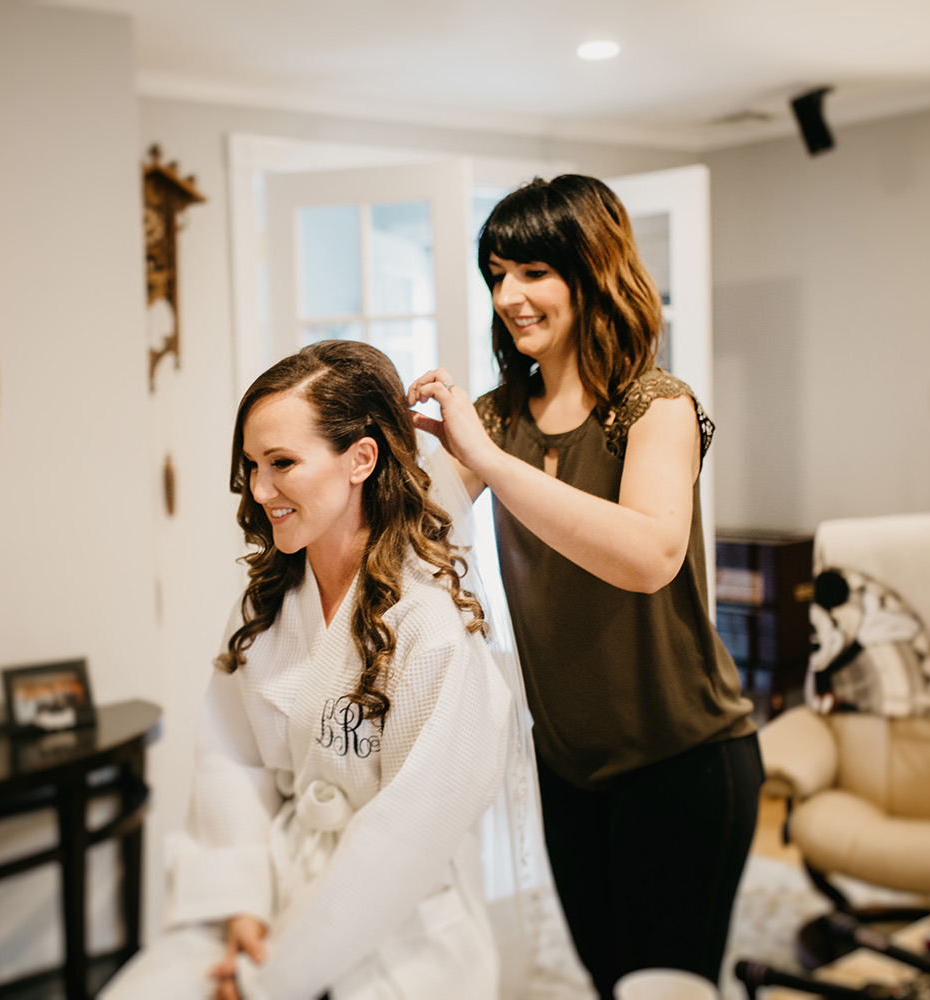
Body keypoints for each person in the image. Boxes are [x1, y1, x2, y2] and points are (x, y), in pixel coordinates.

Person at [407, 174, 761, 998]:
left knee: (664, 990)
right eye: (497, 274)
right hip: (569, 767)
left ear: (592, 270)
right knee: (610, 983)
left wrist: (490, 462)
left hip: (685, 762)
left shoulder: (656, 407)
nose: (509, 296)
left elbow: (647, 555)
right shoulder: (499, 416)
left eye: (532, 271)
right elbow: (417, 538)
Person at [100, 340, 514, 1000]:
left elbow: (407, 834)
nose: (260, 490)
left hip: (399, 922)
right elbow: (230, 760)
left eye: (282, 463)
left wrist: (276, 976)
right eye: (252, 466)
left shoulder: (428, 629)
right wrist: (243, 904)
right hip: (275, 885)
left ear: (361, 459)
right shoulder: (266, 603)